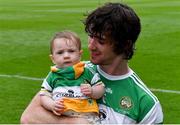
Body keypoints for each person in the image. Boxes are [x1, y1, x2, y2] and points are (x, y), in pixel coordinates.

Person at [20, 2, 163, 124]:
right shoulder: (74, 70)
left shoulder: (147, 104)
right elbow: (28, 118)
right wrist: (74, 123)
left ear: (125, 45)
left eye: (101, 41)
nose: (91, 46)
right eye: (91, 37)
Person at [39, 31, 105, 124]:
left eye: (71, 51)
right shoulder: (52, 75)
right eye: (60, 52)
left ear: (80, 54)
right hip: (62, 116)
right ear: (53, 58)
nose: (66, 56)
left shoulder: (87, 71)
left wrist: (93, 91)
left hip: (88, 116)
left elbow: (101, 88)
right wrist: (52, 105)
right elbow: (44, 95)